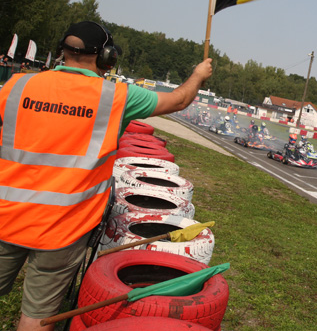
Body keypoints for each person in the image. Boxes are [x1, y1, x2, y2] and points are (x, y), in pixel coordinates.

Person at [0, 21, 213, 331]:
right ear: (106, 57)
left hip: (5, 215)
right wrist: (198, 75)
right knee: (36, 316)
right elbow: (178, 100)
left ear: (62, 50)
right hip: (62, 229)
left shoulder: (16, 86)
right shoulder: (115, 96)